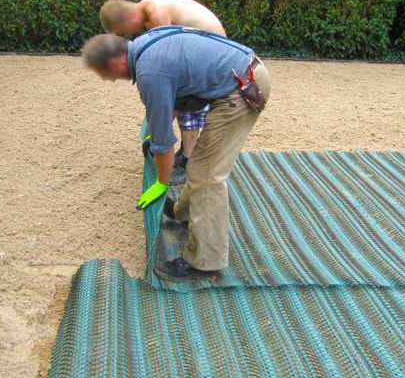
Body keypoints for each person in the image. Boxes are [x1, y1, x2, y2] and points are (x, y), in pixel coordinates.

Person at [81, 28, 271, 282]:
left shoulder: (150, 72)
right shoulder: (145, 45)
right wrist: (155, 137)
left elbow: (164, 145)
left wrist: (161, 184)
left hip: (244, 89)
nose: (111, 80)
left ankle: (205, 262)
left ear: (115, 61)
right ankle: (184, 212)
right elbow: (165, 110)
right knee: (202, 163)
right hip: (244, 73)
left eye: (106, 74)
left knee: (207, 174)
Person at [99, 0, 228, 170]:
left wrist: (156, 135)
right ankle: (185, 153)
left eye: (124, 30)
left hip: (212, 54)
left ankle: (188, 161)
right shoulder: (149, 3)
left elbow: (166, 77)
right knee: (177, 95)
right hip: (208, 48)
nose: (130, 34)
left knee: (186, 98)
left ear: (127, 19)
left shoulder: (157, 16)